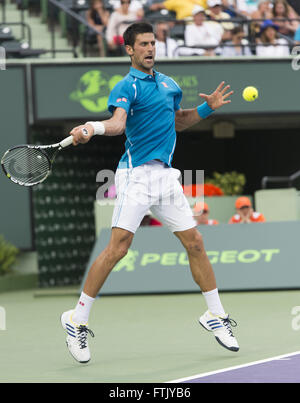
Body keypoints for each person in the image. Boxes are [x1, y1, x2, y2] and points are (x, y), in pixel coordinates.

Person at [61, 21, 239, 364]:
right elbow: (117, 124)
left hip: (165, 178)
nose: (150, 49)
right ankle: (76, 319)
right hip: (136, 177)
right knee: (118, 249)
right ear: (129, 49)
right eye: (143, 44)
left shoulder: (170, 85)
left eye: (153, 43)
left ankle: (215, 315)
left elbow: (177, 121)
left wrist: (207, 108)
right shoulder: (127, 86)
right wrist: (92, 128)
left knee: (196, 243)